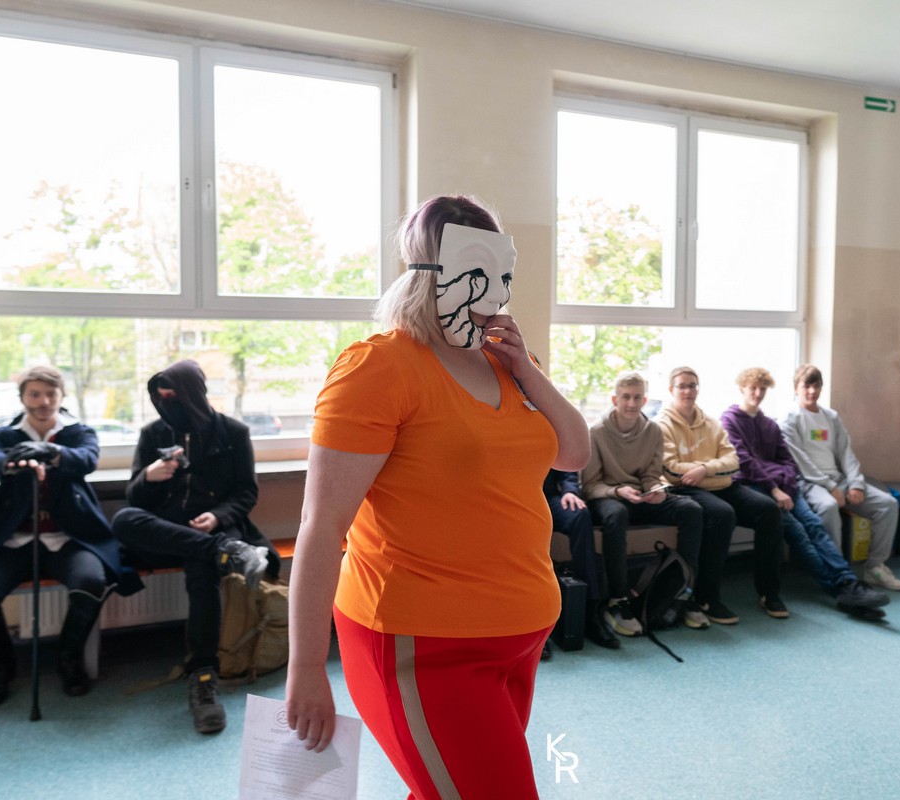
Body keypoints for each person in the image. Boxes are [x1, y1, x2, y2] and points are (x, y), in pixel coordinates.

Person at [285, 195, 590, 799]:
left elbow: (573, 453)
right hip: (421, 643)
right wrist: (306, 667)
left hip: (520, 633)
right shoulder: (378, 367)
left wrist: (527, 370)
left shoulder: (507, 361)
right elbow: (322, 527)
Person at [112, 360, 277, 734]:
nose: (166, 403)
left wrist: (217, 516)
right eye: (160, 397)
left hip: (211, 528)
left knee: (202, 570)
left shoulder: (233, 432)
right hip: (168, 531)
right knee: (123, 520)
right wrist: (149, 476)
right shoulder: (152, 433)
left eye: (173, 396)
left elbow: (246, 491)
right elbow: (134, 498)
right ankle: (225, 551)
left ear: (193, 395)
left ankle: (204, 678)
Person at [0, 366, 141, 707]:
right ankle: (2, 667)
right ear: (23, 398)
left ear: (61, 397)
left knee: (92, 583)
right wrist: (15, 460)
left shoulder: (78, 432)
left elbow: (87, 458)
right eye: (35, 394)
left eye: (50, 394)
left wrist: (51, 453)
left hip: (69, 538)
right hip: (13, 541)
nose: (43, 401)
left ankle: (68, 659)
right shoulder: (4, 434)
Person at [721, 367, 888, 616]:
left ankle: (848, 581)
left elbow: (787, 460)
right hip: (755, 488)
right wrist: (775, 490)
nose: (757, 393)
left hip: (784, 488)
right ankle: (840, 588)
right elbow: (745, 462)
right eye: (753, 388)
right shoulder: (729, 420)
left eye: (762, 389)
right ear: (741, 389)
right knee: (798, 532)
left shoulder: (769, 424)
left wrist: (788, 486)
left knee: (814, 525)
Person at [581, 371, 709, 632]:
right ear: (614, 399)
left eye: (637, 397)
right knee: (616, 515)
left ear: (645, 400)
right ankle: (618, 599)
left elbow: (651, 475)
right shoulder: (595, 432)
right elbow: (591, 486)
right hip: (610, 497)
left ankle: (683, 592)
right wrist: (619, 492)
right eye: (626, 397)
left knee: (691, 509)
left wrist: (655, 490)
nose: (631, 403)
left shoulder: (653, 430)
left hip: (640, 495)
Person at [657, 367, 784, 625]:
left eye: (692, 385)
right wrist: (712, 468)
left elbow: (733, 461)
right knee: (722, 514)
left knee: (768, 510)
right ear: (671, 390)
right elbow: (671, 470)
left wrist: (704, 469)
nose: (688, 391)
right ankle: (707, 597)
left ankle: (768, 592)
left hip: (720, 484)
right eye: (682, 386)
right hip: (686, 489)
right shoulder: (661, 425)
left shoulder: (712, 423)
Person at [780, 365, 900, 592]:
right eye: (806, 386)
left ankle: (875, 567)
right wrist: (830, 487)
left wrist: (856, 484)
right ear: (796, 388)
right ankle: (839, 573)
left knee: (887, 504)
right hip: (809, 483)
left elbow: (846, 453)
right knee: (828, 507)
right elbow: (801, 462)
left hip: (839, 480)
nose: (811, 391)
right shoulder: (789, 419)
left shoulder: (831, 417)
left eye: (816, 386)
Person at [542, 468, 619, 650]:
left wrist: (569, 491)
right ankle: (532, 620)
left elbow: (567, 470)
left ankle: (590, 612)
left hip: (548, 496)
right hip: (514, 499)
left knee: (579, 514)